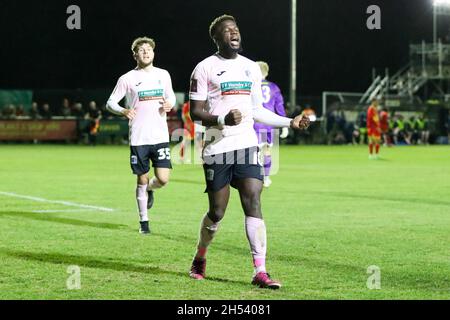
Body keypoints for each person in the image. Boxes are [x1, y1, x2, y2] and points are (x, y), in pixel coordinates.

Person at [188, 14, 310, 289]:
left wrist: (289, 121)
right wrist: (221, 120)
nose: (234, 33)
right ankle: (200, 256)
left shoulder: (251, 68)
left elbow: (257, 110)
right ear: (216, 38)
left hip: (245, 145)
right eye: (227, 30)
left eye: (236, 29)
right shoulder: (204, 68)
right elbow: (195, 112)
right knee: (217, 212)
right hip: (217, 146)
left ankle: (260, 271)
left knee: (253, 200)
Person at [106, 36, 176, 234]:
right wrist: (123, 111)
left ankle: (152, 190)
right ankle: (144, 222)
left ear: (153, 53)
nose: (146, 52)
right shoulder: (127, 78)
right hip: (139, 137)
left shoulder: (163, 75)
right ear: (135, 55)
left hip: (160, 136)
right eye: (141, 50)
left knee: (162, 179)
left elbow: (170, 95)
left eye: (149, 49)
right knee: (141, 179)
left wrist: (171, 103)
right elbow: (110, 102)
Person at [252, 61, 288, 187]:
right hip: (268, 123)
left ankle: (253, 178)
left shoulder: (250, 85)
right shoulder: (274, 87)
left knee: (252, 151)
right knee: (266, 150)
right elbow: (279, 106)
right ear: (266, 72)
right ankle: (266, 178)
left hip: (254, 123)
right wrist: (284, 124)